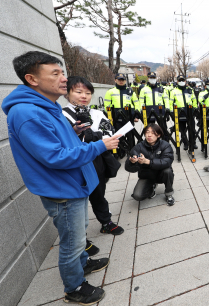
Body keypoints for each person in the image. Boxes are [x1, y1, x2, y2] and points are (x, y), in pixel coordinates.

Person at [2, 51, 121, 304]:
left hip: (72, 184)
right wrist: (101, 145)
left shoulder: (47, 105)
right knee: (72, 242)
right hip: (62, 190)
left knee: (77, 237)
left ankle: (83, 265)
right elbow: (55, 157)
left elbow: (56, 142)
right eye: (55, 73)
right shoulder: (27, 113)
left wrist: (73, 130)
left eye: (62, 72)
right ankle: (74, 287)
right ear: (32, 79)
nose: (64, 79)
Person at [63, 76, 125, 237]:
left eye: (88, 93)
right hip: (76, 162)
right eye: (78, 92)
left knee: (99, 193)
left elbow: (110, 133)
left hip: (97, 160)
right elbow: (66, 142)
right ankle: (79, 238)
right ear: (68, 93)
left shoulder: (97, 113)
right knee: (78, 201)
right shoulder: (62, 115)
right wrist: (96, 137)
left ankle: (106, 222)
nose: (84, 96)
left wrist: (92, 137)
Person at [125, 124, 175, 205]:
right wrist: (132, 162)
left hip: (161, 174)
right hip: (146, 175)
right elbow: (129, 169)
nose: (149, 135)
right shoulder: (139, 147)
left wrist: (147, 161)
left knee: (168, 171)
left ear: (158, 135)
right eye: (147, 132)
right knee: (137, 196)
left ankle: (169, 194)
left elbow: (167, 162)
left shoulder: (165, 145)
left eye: (153, 133)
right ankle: (151, 189)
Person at [104, 73, 140, 158]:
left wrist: (137, 115)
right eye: (119, 79)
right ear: (115, 80)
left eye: (122, 80)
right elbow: (107, 105)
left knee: (130, 136)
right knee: (118, 136)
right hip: (116, 118)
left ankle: (131, 153)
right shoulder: (110, 91)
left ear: (125, 81)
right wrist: (110, 117)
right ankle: (120, 152)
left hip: (129, 117)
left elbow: (136, 103)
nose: (121, 81)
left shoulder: (130, 91)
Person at [170, 75, 198, 150]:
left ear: (185, 81)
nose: (182, 82)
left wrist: (195, 109)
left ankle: (193, 143)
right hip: (179, 113)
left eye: (183, 80)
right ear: (177, 82)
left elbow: (194, 100)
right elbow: (171, 103)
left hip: (189, 112)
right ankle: (185, 143)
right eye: (180, 80)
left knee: (192, 129)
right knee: (182, 130)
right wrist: (172, 113)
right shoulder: (173, 91)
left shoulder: (190, 90)